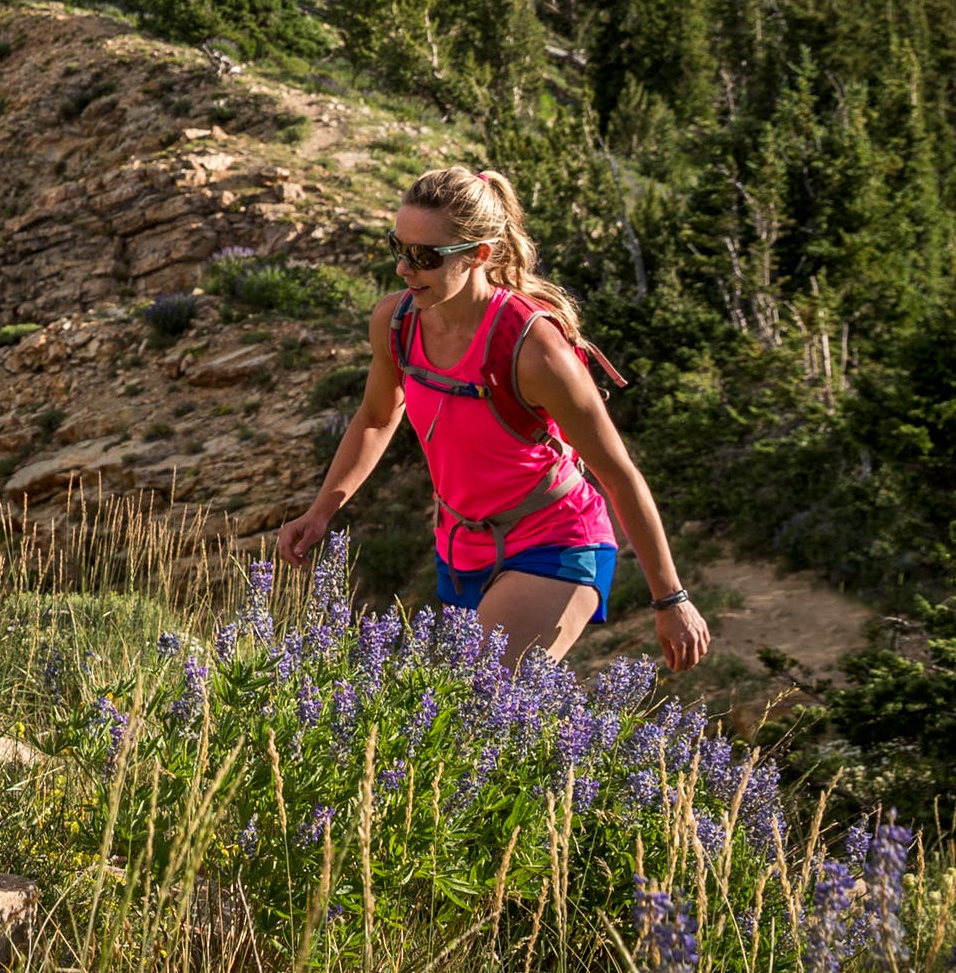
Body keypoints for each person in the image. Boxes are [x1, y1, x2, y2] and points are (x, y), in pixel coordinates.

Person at [272, 164, 711, 670]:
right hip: (461, 550)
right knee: (465, 723)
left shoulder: (533, 350)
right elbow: (374, 418)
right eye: (399, 248)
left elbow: (617, 474)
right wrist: (322, 511)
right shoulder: (395, 323)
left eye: (424, 256)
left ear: (479, 255)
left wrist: (670, 598)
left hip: (555, 541)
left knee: (474, 703)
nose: (404, 269)